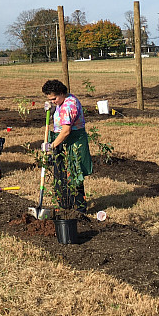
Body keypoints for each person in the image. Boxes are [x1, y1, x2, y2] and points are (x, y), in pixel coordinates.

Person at [41, 79, 93, 214]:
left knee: (74, 175)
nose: (53, 101)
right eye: (50, 99)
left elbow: (66, 131)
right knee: (60, 174)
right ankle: (65, 205)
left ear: (62, 93)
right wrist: (53, 109)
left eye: (54, 99)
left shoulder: (69, 106)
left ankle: (80, 209)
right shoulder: (63, 100)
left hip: (73, 141)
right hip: (62, 140)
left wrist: (51, 146)